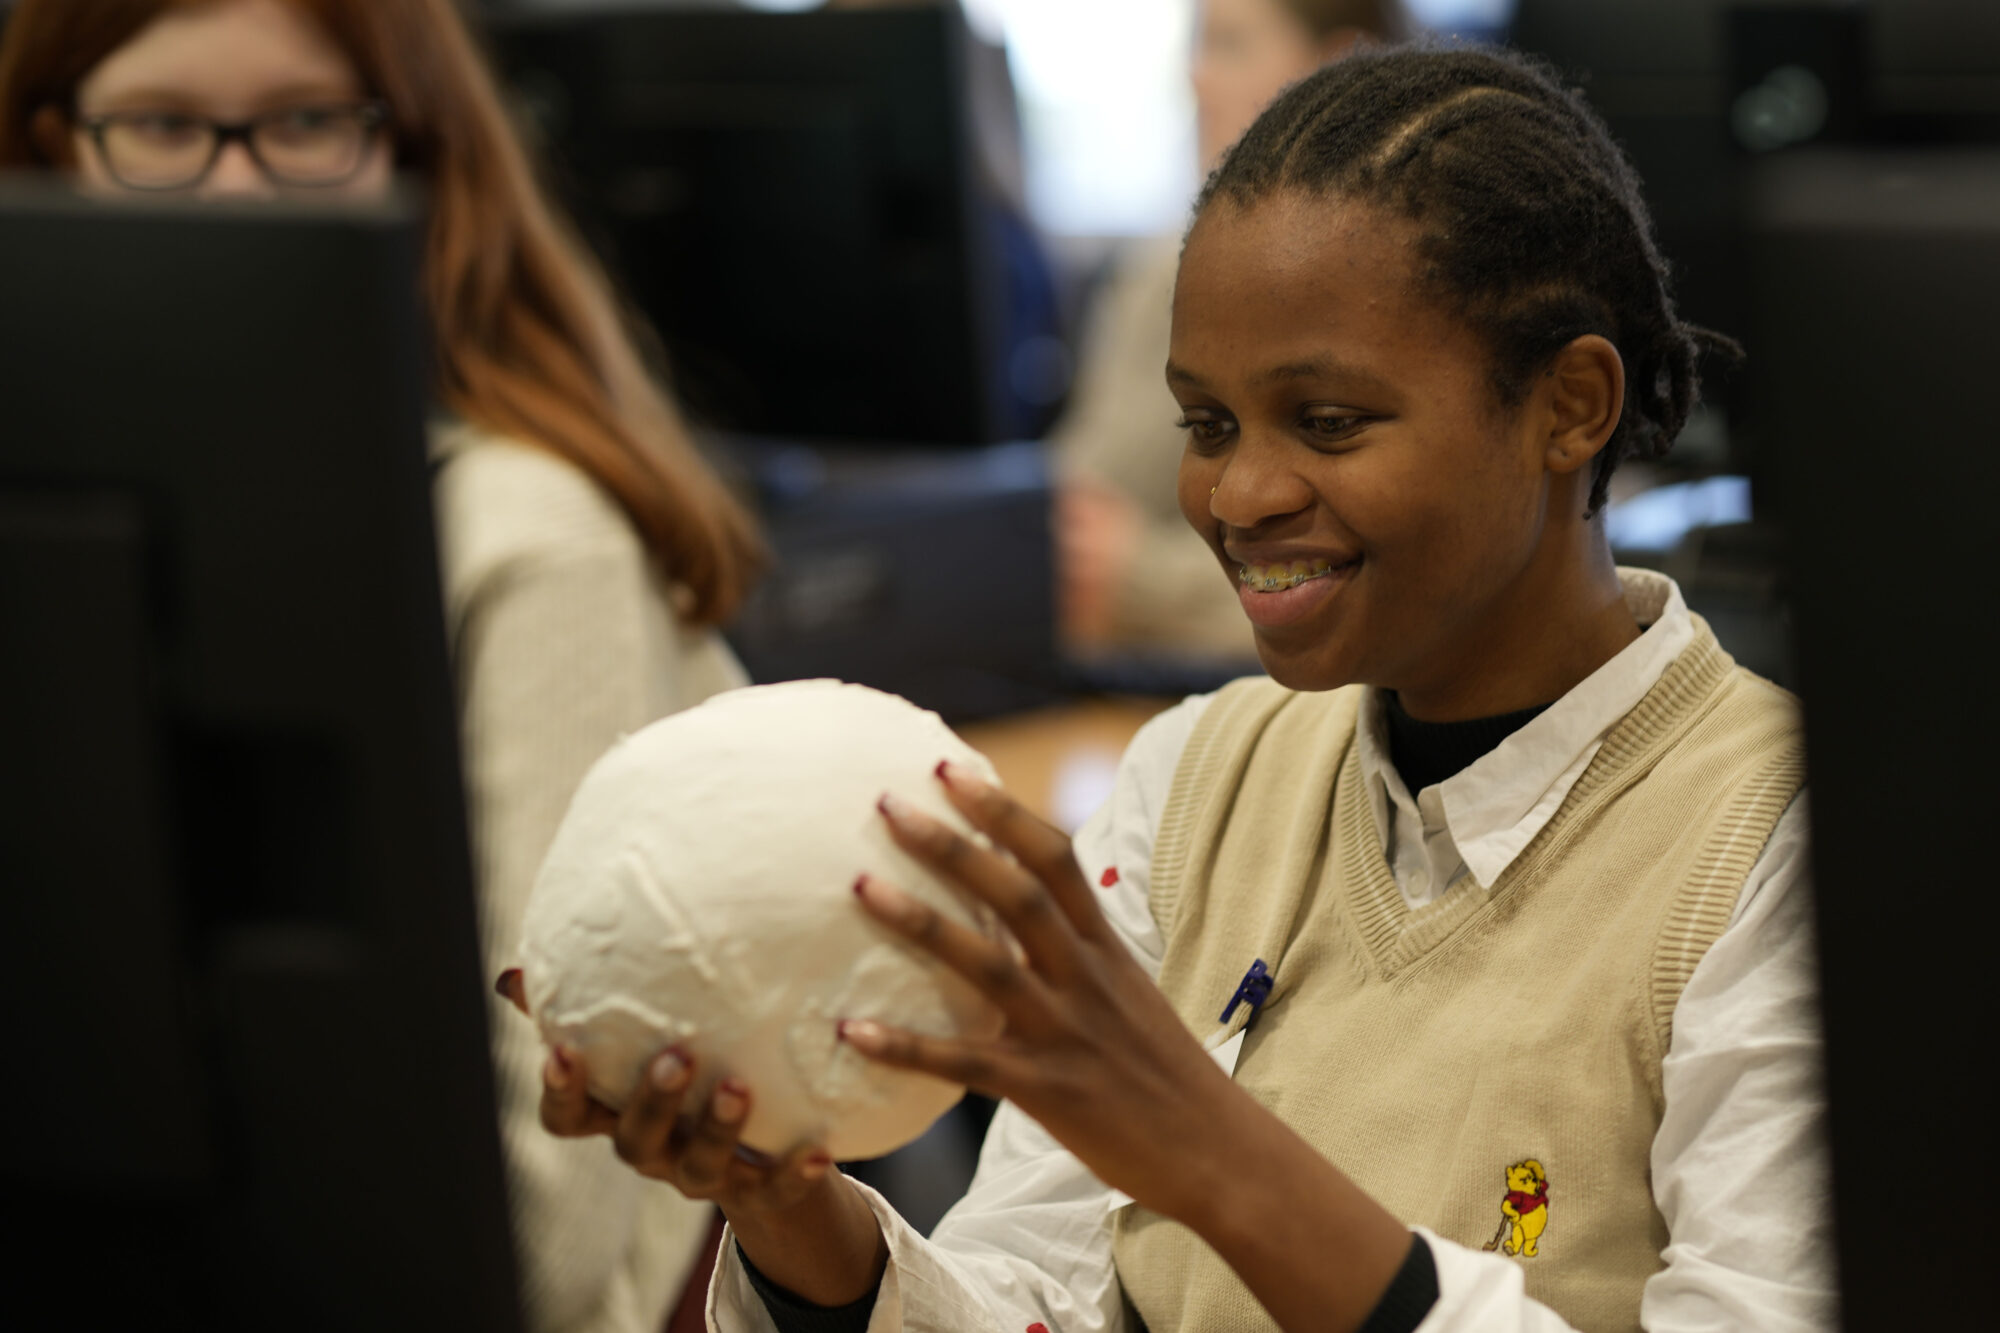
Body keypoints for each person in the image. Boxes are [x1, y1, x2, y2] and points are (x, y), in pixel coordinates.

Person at [517, 42, 1836, 1333]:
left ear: (1572, 406)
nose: (1240, 495)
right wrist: (803, 1227)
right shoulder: (1193, 779)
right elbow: (1029, 1297)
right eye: (1207, 425)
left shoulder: (1781, 844)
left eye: (1328, 422)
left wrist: (1209, 1150)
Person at [0, 3, 763, 1331]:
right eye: (164, 126)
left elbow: (538, 1245)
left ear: (418, 160)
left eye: (307, 123)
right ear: (44, 152)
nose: (237, 187)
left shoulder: (527, 535)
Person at [1054, 0, 1408, 664]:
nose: (1195, 77)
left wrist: (1142, 585)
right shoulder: (1167, 270)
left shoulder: (1415, 282)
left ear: (1338, 64)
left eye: (1230, 45)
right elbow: (1074, 519)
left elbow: (1415, 594)